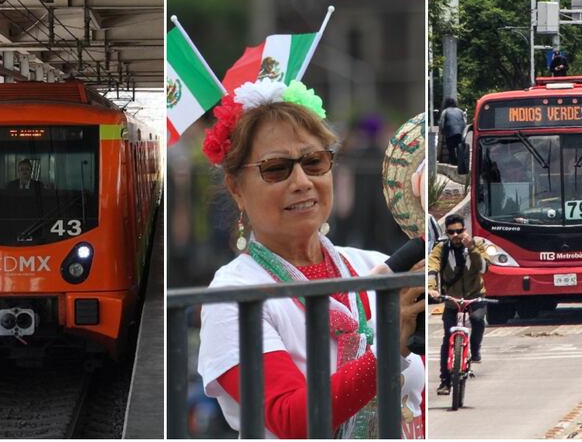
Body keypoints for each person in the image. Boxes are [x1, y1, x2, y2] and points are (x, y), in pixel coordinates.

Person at [197, 79, 426, 439]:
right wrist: (387, 349)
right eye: (276, 168)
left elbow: (420, 405)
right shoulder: (233, 294)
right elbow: (289, 419)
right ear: (236, 188)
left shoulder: (377, 266)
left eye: (314, 161)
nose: (302, 181)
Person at [427, 214, 487, 395]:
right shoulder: (441, 249)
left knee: (477, 320)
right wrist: (431, 288)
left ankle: (475, 350)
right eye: (451, 232)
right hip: (452, 299)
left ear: (465, 230)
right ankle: (445, 381)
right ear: (446, 232)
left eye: (459, 231)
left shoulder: (477, 244)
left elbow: (484, 268)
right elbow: (432, 267)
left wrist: (472, 249)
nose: (456, 235)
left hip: (475, 296)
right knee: (448, 337)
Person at [438, 98, 466, 165]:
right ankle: (460, 161)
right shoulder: (460, 111)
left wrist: (442, 131)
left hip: (449, 131)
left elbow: (442, 122)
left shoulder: (445, 111)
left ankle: (453, 162)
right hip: (459, 131)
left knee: (451, 148)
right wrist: (461, 130)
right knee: (459, 146)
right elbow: (465, 122)